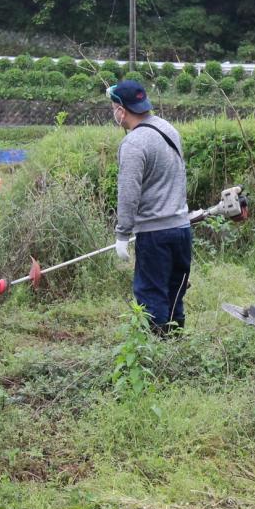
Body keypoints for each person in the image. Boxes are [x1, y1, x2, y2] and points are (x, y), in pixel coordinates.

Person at [108, 78, 192, 335]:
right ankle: (177, 351)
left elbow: (129, 194)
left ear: (121, 110)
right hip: (182, 229)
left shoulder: (134, 143)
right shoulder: (168, 129)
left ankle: (156, 360)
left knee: (151, 298)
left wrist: (123, 233)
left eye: (113, 108)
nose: (113, 113)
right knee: (175, 295)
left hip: (155, 235)